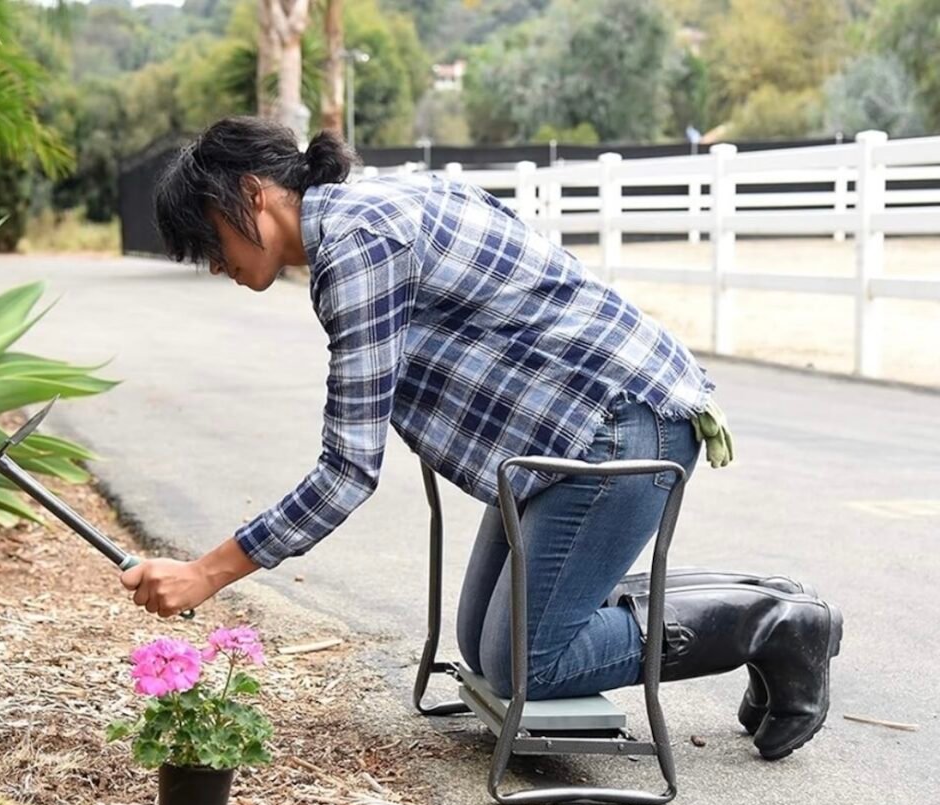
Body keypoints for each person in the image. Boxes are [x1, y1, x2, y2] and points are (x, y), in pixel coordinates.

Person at [121, 116, 841, 760]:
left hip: (616, 432)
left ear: (252, 193)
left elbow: (348, 471)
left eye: (207, 238)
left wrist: (205, 573)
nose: (212, 263)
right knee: (484, 642)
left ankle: (772, 624)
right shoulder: (375, 208)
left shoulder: (359, 245)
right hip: (563, 434)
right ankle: (766, 595)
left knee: (527, 665)